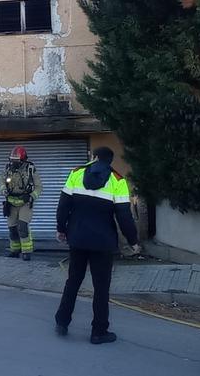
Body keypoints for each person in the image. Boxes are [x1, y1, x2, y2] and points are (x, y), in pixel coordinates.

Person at [54, 146, 140, 344]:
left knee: (73, 281)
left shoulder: (76, 174)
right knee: (101, 288)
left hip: (77, 238)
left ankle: (62, 322)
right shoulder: (118, 181)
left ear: (93, 157)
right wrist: (133, 241)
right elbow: (124, 217)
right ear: (110, 161)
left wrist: (61, 229)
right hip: (103, 242)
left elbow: (63, 205)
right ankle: (99, 332)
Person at [0, 146, 42, 260]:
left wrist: (31, 196)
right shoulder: (8, 168)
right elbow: (2, 181)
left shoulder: (30, 169)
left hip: (25, 203)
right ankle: (15, 250)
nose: (14, 163)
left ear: (23, 160)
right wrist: (3, 189)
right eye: (12, 160)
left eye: (16, 161)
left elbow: (38, 187)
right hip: (11, 203)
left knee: (23, 227)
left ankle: (26, 252)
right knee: (12, 229)